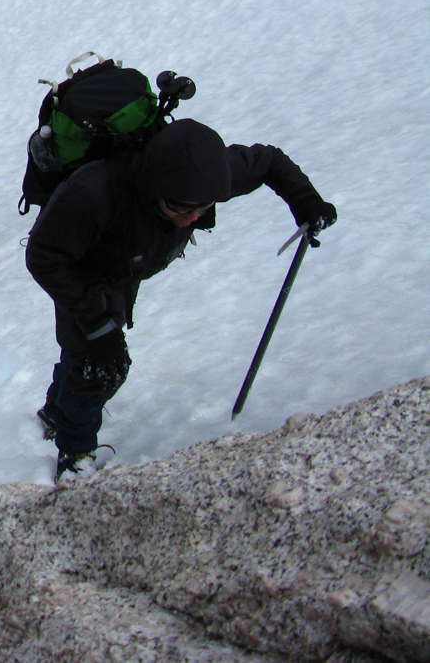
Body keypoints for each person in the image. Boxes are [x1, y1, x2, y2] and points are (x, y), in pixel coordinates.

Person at [25, 119, 337, 479]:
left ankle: (56, 412)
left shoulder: (206, 175)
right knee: (100, 366)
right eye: (180, 208)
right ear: (154, 187)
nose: (191, 219)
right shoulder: (93, 191)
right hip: (85, 274)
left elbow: (269, 162)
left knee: (90, 353)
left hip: (125, 265)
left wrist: (306, 202)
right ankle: (75, 455)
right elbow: (44, 257)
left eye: (202, 209)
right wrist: (98, 327)